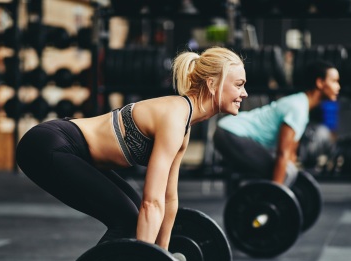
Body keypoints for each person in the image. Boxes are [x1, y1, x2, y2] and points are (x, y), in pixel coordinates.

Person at [16, 47, 247, 250]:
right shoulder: (174, 118)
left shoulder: (183, 126)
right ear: (212, 84)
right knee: (127, 220)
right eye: (239, 85)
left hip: (74, 151)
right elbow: (152, 202)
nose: (244, 94)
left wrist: (162, 254)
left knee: (133, 215)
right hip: (50, 145)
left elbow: (168, 200)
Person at [213, 59, 340, 187]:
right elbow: (282, 154)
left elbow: (291, 155)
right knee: (278, 171)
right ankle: (264, 201)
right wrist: (278, 192)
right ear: (320, 83)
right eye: (334, 81)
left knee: (286, 170)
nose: (338, 87)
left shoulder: (301, 105)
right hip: (231, 132)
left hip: (230, 131)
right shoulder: (298, 108)